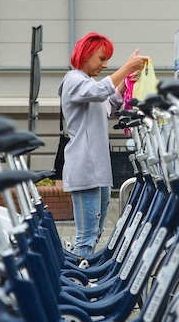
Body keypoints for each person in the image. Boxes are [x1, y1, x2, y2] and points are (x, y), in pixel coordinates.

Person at [59, 32, 148, 257]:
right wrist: (126, 68)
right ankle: (74, 283)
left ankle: (78, 278)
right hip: (85, 168)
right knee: (87, 236)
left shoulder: (85, 83)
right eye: (101, 58)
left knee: (95, 232)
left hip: (96, 169)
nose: (105, 64)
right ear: (86, 55)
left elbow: (107, 104)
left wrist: (123, 85)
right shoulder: (73, 80)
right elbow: (99, 93)